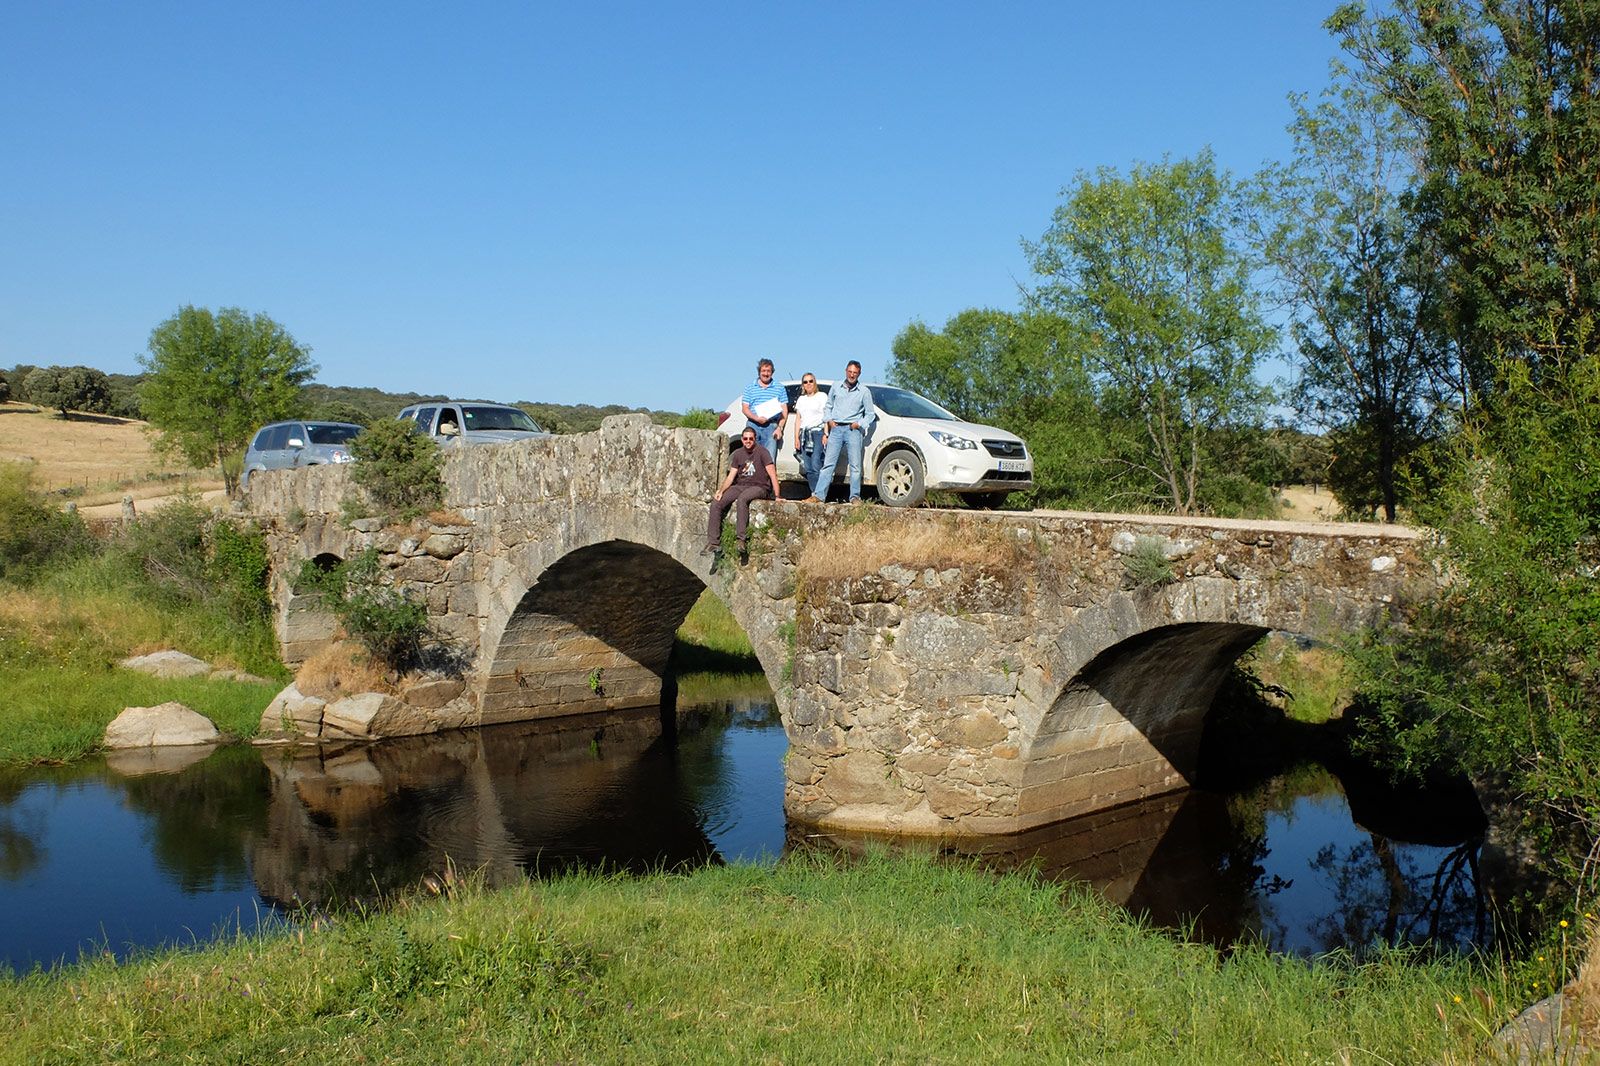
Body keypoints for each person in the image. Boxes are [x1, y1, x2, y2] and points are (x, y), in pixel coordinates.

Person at [705, 426, 780, 563]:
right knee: (716, 503)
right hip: (740, 485)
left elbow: (772, 474)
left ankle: (741, 539)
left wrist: (777, 495)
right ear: (742, 439)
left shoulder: (763, 452)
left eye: (751, 438)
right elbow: (731, 477)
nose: (748, 441)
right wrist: (721, 491)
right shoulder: (738, 454)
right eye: (745, 438)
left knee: (742, 499)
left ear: (755, 439)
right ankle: (713, 543)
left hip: (759, 487)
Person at [810, 360, 875, 503]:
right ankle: (819, 495)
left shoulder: (864, 391)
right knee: (828, 464)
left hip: (853, 430)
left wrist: (859, 424)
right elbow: (828, 406)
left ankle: (855, 496)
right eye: (850, 372)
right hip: (836, 428)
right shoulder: (836, 386)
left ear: (859, 374)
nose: (852, 375)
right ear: (846, 371)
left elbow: (870, 414)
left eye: (855, 373)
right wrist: (829, 421)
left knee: (855, 465)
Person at [740, 358, 787, 459]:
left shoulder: (779, 388)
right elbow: (745, 408)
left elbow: (784, 410)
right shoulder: (750, 387)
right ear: (759, 372)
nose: (766, 374)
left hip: (771, 426)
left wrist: (780, 428)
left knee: (769, 459)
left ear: (772, 372)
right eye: (763, 371)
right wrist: (757, 418)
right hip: (753, 425)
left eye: (768, 371)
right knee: (751, 458)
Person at [790, 371, 827, 500]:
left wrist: (826, 434)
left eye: (811, 381)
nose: (808, 384)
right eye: (805, 382)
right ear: (803, 385)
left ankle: (820, 493)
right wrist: (796, 438)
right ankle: (813, 492)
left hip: (818, 432)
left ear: (814, 382)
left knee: (817, 462)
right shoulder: (801, 399)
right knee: (808, 465)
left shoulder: (822, 396)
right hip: (804, 434)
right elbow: (798, 419)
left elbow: (826, 417)